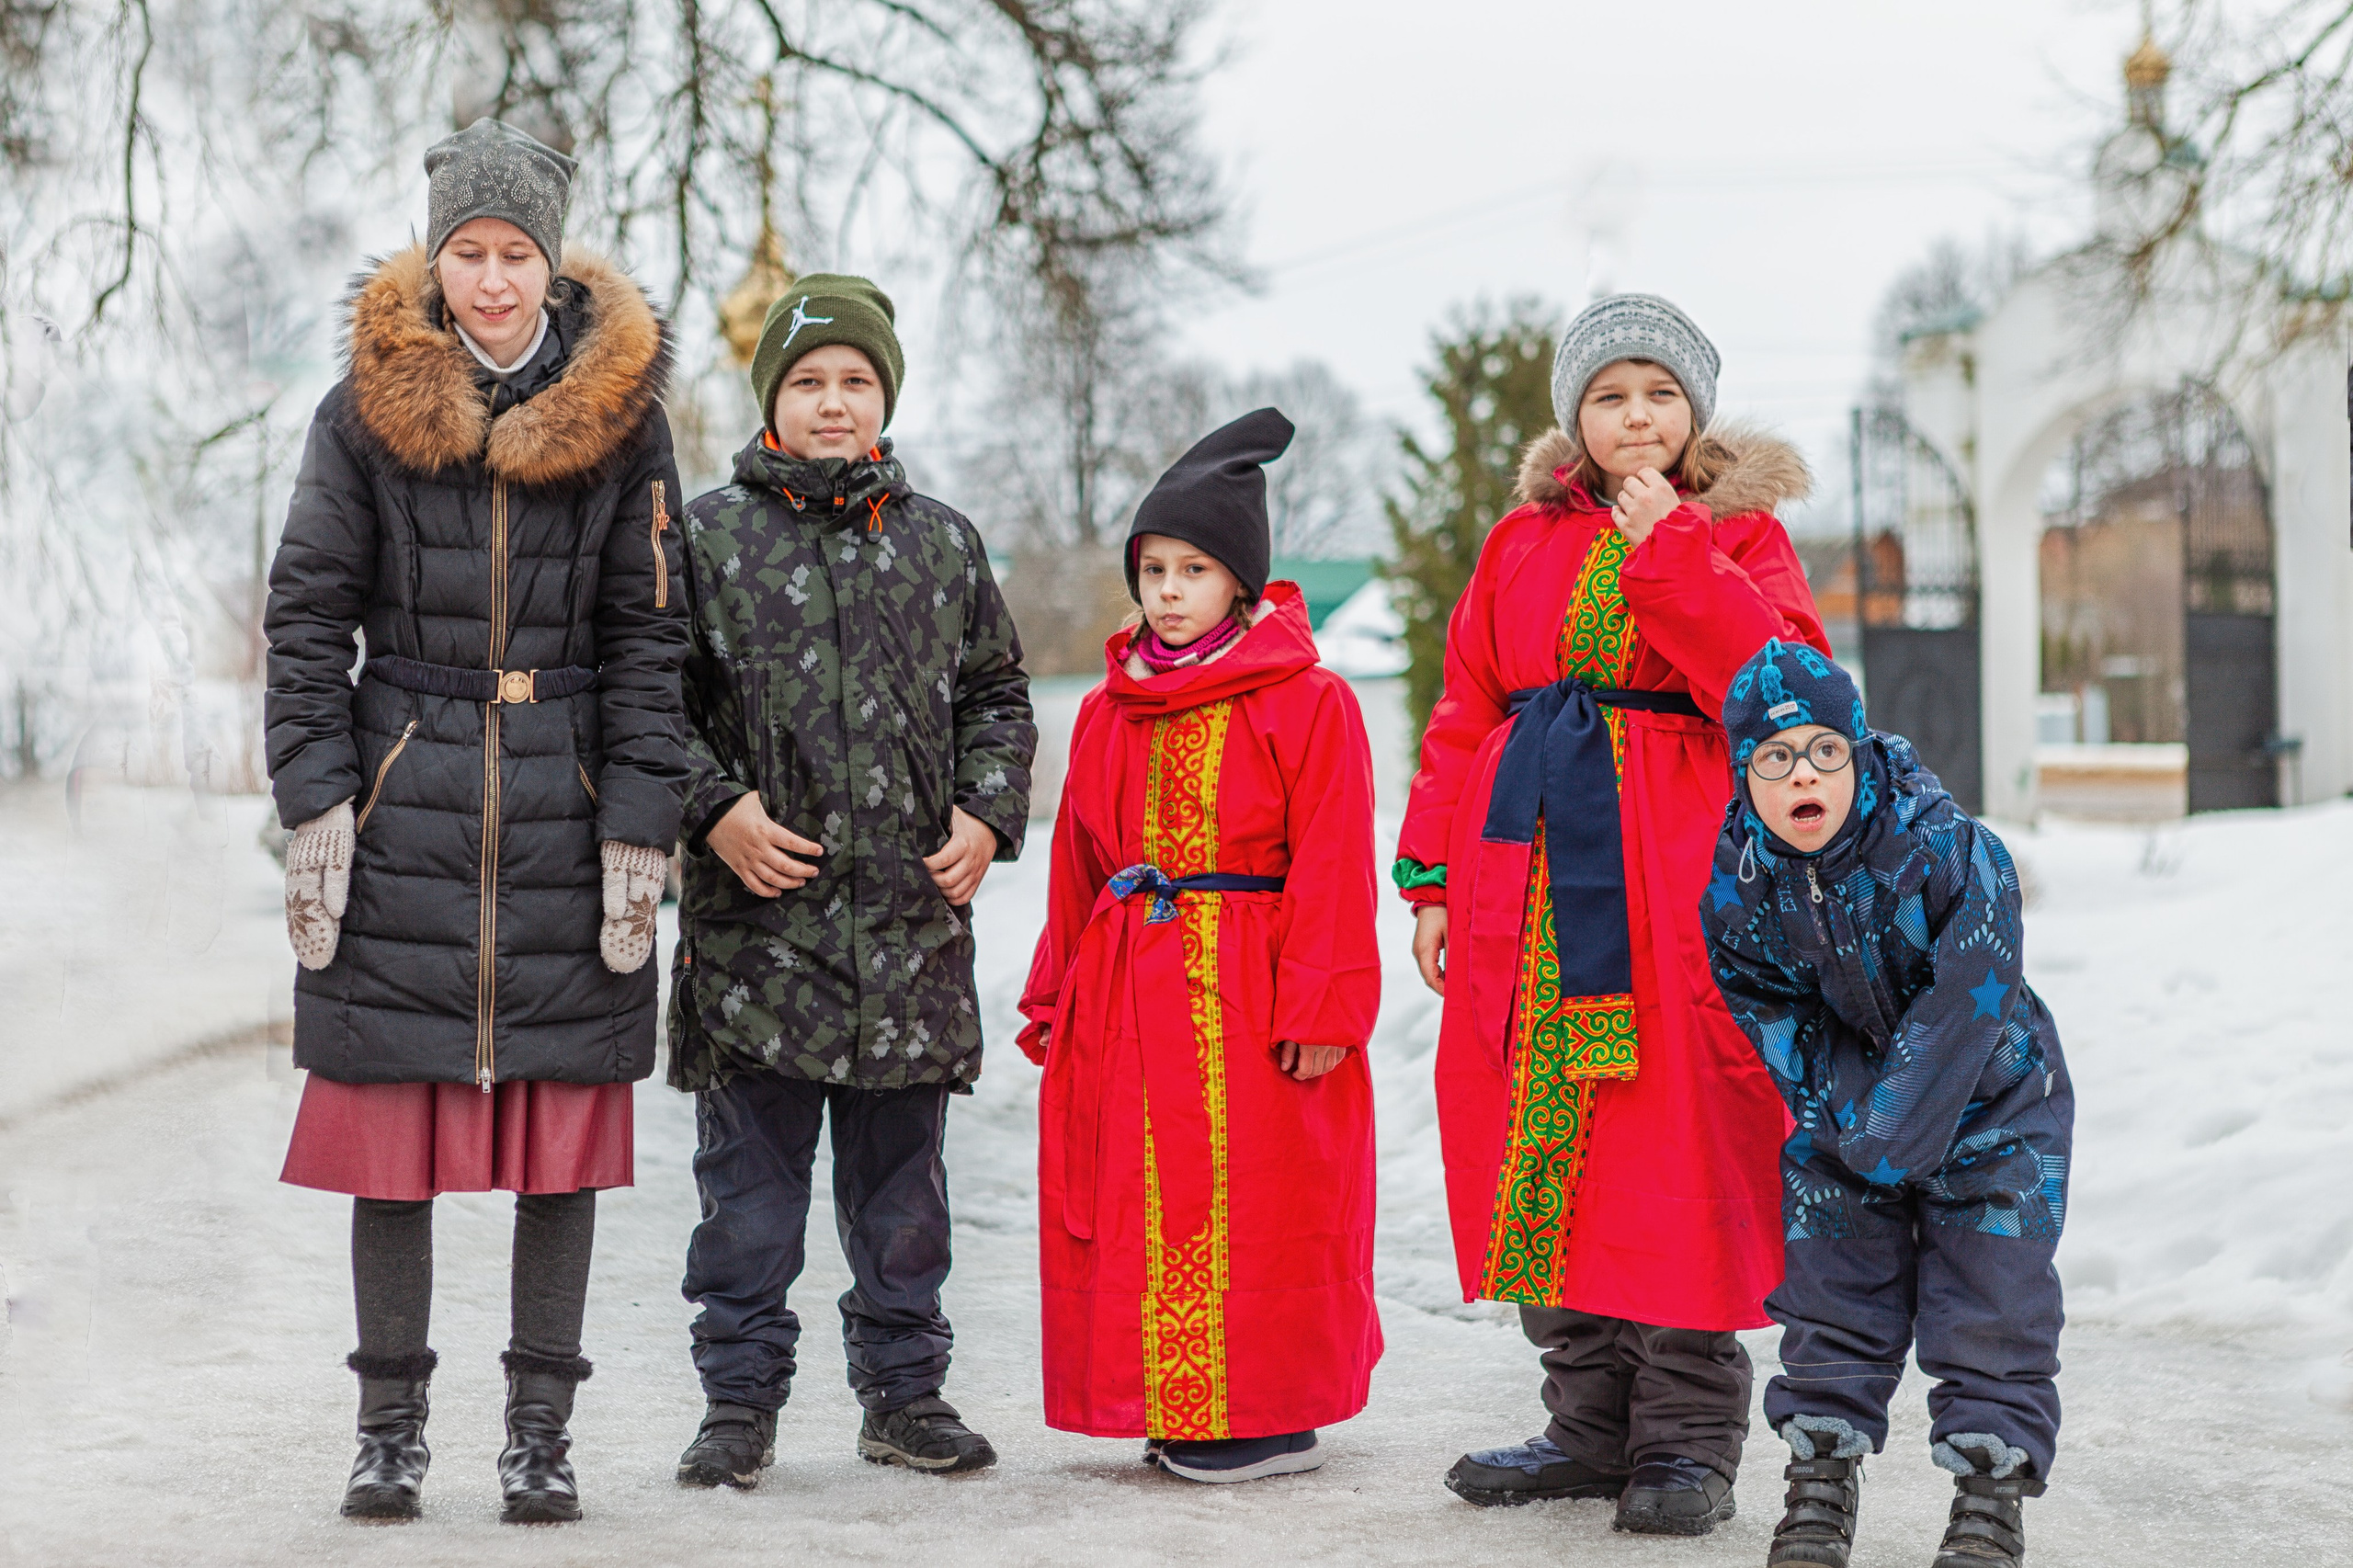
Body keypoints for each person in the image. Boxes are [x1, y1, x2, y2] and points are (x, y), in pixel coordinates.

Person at [266, 118, 690, 1525]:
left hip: (563, 807)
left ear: (554, 265)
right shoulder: (360, 414)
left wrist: (639, 828)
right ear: (434, 256)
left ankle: (539, 1434)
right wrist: (319, 799)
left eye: (516, 253)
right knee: (392, 1126)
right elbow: (308, 621)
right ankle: (388, 1430)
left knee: (556, 1133)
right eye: (468, 251)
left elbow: (649, 641)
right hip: (409, 797)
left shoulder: (627, 424)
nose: (492, 280)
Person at [1393, 293, 1827, 1535]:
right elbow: (1466, 704)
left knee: (1672, 1141)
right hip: (1521, 886)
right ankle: (1586, 1422)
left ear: (1694, 409)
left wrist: (1674, 548)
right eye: (1607, 396)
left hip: (1672, 888)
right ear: (1574, 420)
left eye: (1657, 393)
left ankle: (1687, 1437)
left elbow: (1781, 688)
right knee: (1545, 1149)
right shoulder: (1518, 539)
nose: (1634, 417)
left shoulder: (1740, 533)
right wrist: (1428, 875)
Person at [665, 274, 1035, 1489]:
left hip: (908, 938)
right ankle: (737, 1402)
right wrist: (714, 812)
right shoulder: (702, 537)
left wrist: (987, 811)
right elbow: (646, 708)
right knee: (748, 1210)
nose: (834, 403)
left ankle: (904, 1392)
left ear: (886, 396)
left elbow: (997, 695)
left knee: (905, 1206)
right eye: (810, 381)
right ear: (773, 395)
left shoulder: (941, 543)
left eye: (856, 382)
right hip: (757, 945)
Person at [1017, 409, 1383, 1483]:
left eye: (1195, 568)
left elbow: (1332, 861)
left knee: (1263, 1198)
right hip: (1132, 991)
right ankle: (1168, 1396)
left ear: (1243, 581)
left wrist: (1323, 1005)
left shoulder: (1308, 702)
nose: (1169, 590)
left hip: (1252, 982)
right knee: (1139, 1198)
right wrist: (1056, 994)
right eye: (1153, 568)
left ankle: (1262, 1408)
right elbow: (1079, 865)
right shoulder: (1105, 712)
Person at [1700, 641, 2072, 1568]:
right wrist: (1843, 1115)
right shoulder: (1741, 889)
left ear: (1859, 753)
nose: (1802, 775)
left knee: (1994, 1297)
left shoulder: (1945, 846)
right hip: (1849, 1116)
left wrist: (1890, 1130)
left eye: (1824, 750)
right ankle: (1819, 1483)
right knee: (1831, 1292)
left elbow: (1971, 993)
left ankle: (1988, 1498)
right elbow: (1769, 1008)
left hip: (1996, 1106)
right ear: (1745, 776)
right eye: (1774, 759)